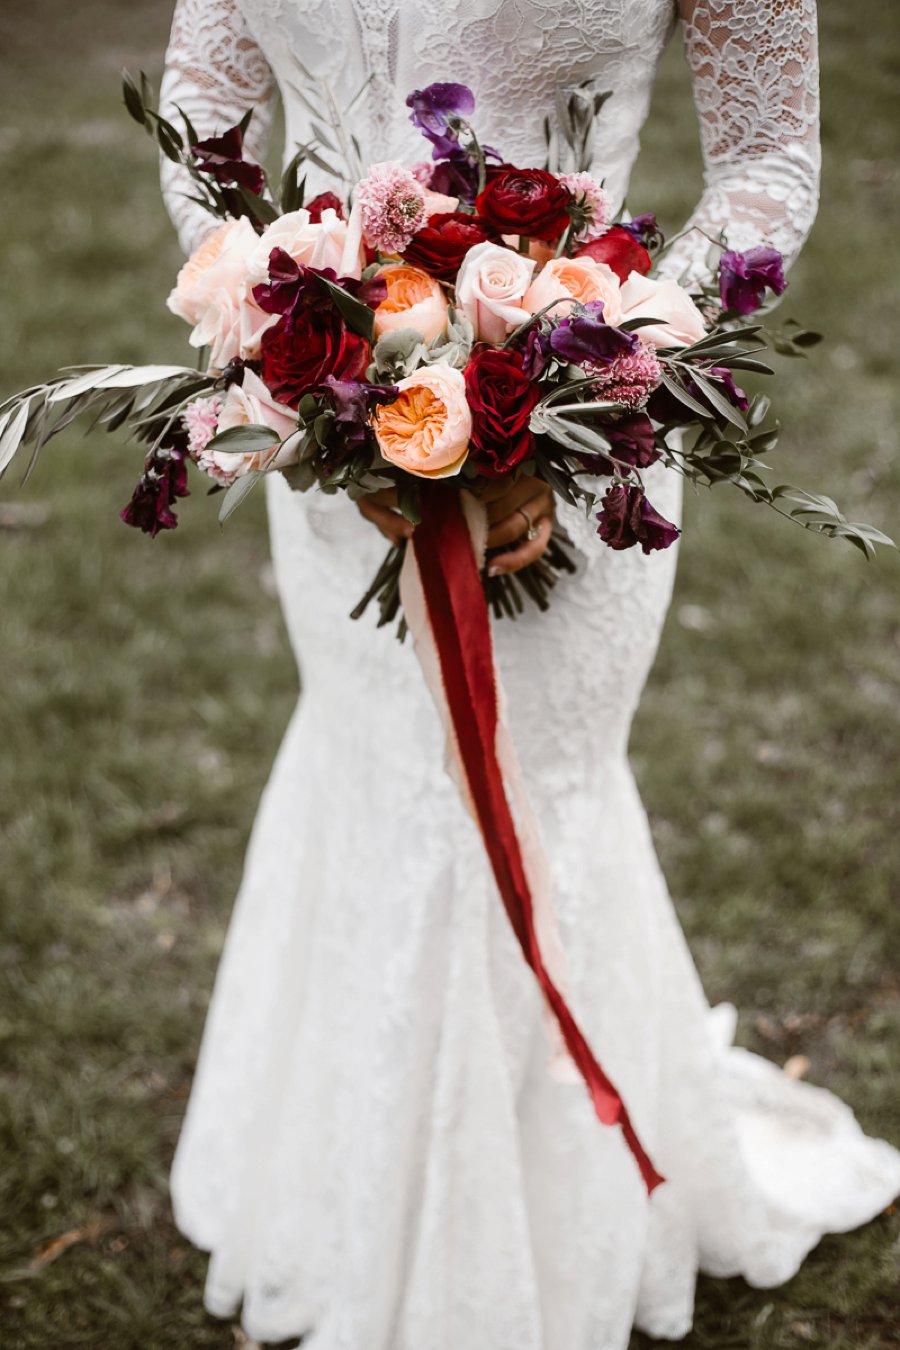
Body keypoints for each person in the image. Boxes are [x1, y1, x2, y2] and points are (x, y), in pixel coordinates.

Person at [157, 2, 900, 1345]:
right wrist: (300, 355)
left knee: (521, 799)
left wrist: (594, 379)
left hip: (578, 433)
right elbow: (202, 125)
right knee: (380, 784)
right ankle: (355, 1208)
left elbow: (768, 160)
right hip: (328, 433)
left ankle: (543, 1250)